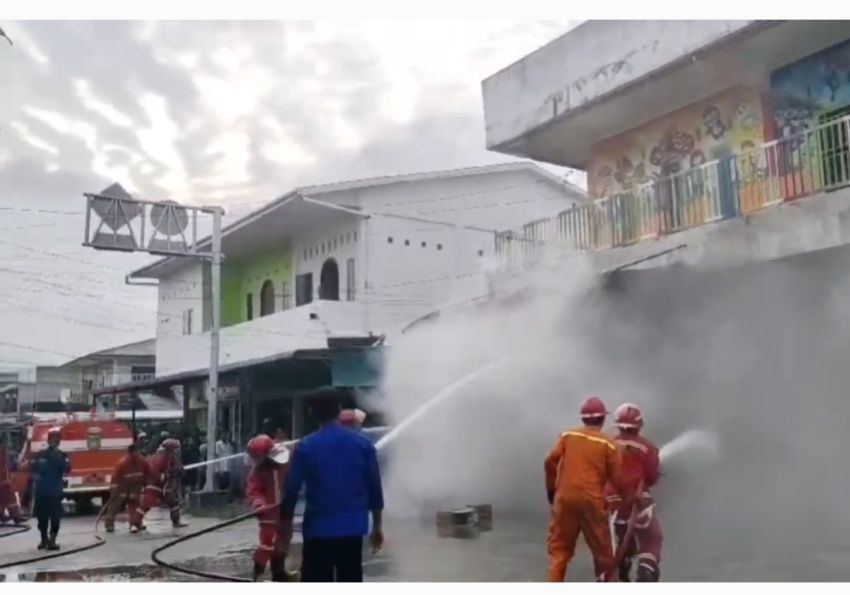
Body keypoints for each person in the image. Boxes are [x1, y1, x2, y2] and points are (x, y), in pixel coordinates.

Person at [281, 391, 384, 582]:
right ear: (339, 410)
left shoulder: (306, 447)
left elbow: (291, 491)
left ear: (312, 413)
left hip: (318, 531)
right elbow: (375, 488)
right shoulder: (362, 444)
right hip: (352, 530)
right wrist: (377, 526)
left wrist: (283, 529)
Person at [544, 396, 622, 582]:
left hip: (565, 499)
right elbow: (617, 479)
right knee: (603, 554)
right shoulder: (609, 444)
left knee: (559, 551)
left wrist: (551, 490)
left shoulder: (567, 436)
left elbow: (549, 461)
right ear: (602, 419)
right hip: (592, 501)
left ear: (583, 418)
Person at [604, 403, 662, 582]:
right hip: (638, 502)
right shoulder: (647, 448)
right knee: (652, 538)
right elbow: (651, 478)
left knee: (622, 542)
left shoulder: (608, 445)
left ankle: (623, 570)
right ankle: (645, 573)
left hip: (613, 503)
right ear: (640, 424)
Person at [245, 434, 298, 582]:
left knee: (283, 540)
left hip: (285, 509)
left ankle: (279, 573)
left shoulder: (286, 463)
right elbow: (254, 491)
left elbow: (295, 480)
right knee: (266, 544)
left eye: (257, 456)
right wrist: (259, 504)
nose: (255, 460)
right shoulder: (257, 471)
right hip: (267, 513)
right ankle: (258, 575)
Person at [31, 427, 71, 550]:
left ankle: (52, 540)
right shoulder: (40, 454)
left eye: (57, 440)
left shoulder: (62, 455)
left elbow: (67, 469)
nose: (55, 441)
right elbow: (33, 469)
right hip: (41, 492)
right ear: (48, 440)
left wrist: (58, 457)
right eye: (53, 439)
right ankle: (44, 539)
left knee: (55, 518)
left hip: (54, 492)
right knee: (42, 519)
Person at [104, 442, 151, 533]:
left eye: (137, 452)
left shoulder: (142, 462)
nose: (136, 454)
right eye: (134, 452)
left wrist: (148, 485)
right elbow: (115, 479)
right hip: (122, 490)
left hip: (134, 489)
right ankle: (109, 525)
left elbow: (149, 473)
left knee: (135, 507)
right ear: (129, 453)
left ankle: (135, 524)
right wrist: (113, 492)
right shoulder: (122, 464)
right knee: (114, 507)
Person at [141, 438, 187, 528]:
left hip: (166, 486)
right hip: (157, 485)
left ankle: (176, 522)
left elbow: (178, 469)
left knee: (173, 503)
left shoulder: (171, 457)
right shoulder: (162, 457)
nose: (177, 451)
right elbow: (155, 471)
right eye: (176, 448)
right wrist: (163, 477)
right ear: (170, 448)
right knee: (147, 504)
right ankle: (136, 523)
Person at [0, 433, 25, 524]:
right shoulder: (3, 452)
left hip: (4, 480)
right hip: (3, 481)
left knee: (7, 499)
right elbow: (10, 465)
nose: (9, 444)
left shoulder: (4, 452)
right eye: (7, 441)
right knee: (10, 499)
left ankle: (4, 515)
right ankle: (15, 516)